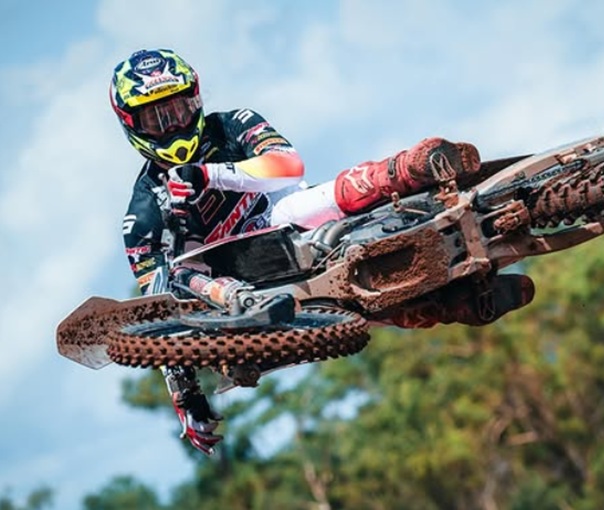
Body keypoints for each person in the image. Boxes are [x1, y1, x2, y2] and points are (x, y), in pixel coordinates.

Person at [111, 48, 534, 455]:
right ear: (133, 125)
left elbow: (288, 165)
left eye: (179, 109)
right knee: (190, 278)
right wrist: (186, 396)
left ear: (196, 98)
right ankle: (453, 306)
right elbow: (159, 309)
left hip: (285, 216)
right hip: (243, 285)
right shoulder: (142, 213)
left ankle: (409, 168)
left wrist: (210, 175)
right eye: (157, 118)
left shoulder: (232, 124)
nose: (173, 125)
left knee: (310, 201)